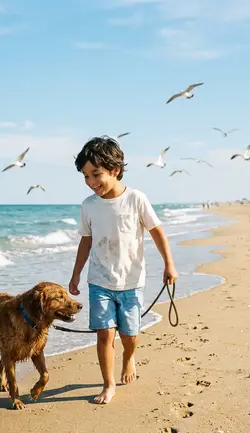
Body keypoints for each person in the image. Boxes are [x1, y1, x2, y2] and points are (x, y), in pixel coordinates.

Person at [68, 136, 178, 404]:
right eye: (85, 176)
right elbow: (86, 240)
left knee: (129, 335)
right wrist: (76, 274)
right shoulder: (88, 205)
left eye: (96, 174)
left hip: (131, 280)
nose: (91, 182)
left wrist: (169, 264)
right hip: (100, 280)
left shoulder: (136, 199)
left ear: (115, 170)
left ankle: (129, 358)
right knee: (104, 334)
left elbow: (156, 231)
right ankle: (108, 384)